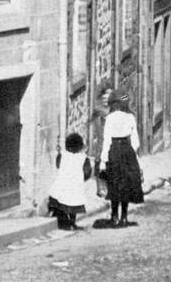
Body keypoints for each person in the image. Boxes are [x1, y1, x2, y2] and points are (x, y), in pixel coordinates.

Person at [96, 91, 144, 228]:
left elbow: (107, 140)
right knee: (126, 185)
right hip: (127, 150)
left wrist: (104, 160)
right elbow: (135, 141)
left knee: (114, 184)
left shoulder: (110, 118)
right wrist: (132, 155)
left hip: (114, 151)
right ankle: (124, 216)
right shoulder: (130, 117)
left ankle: (114, 216)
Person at [47, 132, 92, 231]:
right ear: (80, 146)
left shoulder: (62, 155)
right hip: (75, 185)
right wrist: (81, 178)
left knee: (61, 201)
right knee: (74, 204)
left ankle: (63, 221)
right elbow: (87, 172)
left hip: (62, 184)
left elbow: (58, 165)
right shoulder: (83, 158)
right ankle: (72, 223)